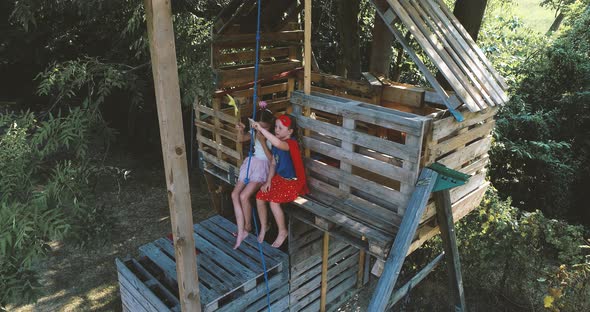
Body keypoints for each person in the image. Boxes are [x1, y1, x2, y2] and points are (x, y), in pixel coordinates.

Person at [251, 114, 309, 248]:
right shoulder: (277, 142)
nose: (276, 130)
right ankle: (264, 226)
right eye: (276, 127)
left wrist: (261, 129)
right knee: (260, 196)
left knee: (273, 202)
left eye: (280, 128)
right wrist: (268, 181)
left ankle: (282, 231)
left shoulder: (290, 144)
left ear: (290, 131)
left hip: (293, 182)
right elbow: (273, 163)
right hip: (280, 179)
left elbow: (278, 143)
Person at [232, 109, 274, 249]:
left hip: (263, 167)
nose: (261, 130)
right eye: (258, 126)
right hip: (252, 163)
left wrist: (262, 141)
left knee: (244, 196)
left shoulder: (272, 137)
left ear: (270, 125)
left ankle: (247, 227)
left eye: (265, 127)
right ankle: (242, 229)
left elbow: (272, 159)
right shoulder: (255, 132)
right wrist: (241, 130)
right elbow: (240, 139)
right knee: (234, 194)